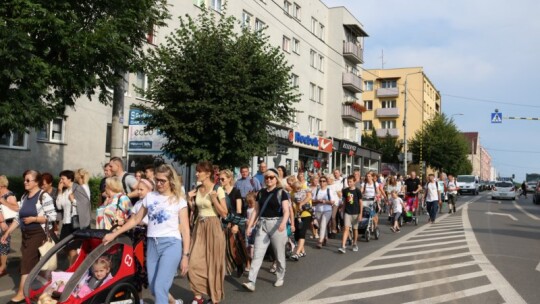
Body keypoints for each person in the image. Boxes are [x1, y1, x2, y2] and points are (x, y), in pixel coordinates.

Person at [104, 164, 190, 304]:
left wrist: (185, 255)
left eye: (163, 180)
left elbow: (186, 229)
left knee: (160, 287)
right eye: (157, 180)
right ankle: (174, 302)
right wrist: (114, 234)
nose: (159, 183)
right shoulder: (150, 196)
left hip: (171, 244)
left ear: (171, 181)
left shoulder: (179, 200)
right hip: (152, 245)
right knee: (153, 287)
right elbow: (136, 219)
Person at [1, 170, 57, 304]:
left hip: (39, 234)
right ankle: (45, 290)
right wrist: (8, 232)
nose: (24, 182)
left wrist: (35, 219)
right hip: (26, 235)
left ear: (36, 182)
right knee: (37, 264)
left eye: (28, 180)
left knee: (26, 263)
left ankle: (21, 293)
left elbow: (52, 217)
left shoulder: (44, 196)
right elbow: (18, 217)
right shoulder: (25, 196)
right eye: (24, 180)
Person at [243, 168, 289, 292]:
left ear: (276, 179)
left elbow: (286, 210)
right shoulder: (261, 193)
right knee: (257, 253)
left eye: (271, 177)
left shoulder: (281, 192)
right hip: (262, 224)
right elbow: (256, 210)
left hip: (277, 224)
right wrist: (250, 226)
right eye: (266, 177)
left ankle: (280, 276)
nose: (268, 179)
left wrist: (283, 223)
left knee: (279, 253)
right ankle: (251, 281)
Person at [187, 161, 228, 304]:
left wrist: (214, 199)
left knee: (213, 263)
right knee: (193, 263)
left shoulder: (218, 189)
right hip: (199, 226)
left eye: (199, 171)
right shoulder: (197, 188)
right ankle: (198, 295)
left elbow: (224, 213)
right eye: (197, 171)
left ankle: (213, 297)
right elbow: (195, 210)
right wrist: (189, 200)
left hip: (213, 227)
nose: (197, 173)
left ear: (208, 174)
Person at [56, 170, 92, 265]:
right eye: (60, 179)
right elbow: (59, 206)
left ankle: (73, 272)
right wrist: (59, 191)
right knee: (66, 248)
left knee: (72, 249)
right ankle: (73, 267)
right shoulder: (65, 191)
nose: (61, 181)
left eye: (63, 179)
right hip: (66, 223)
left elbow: (85, 204)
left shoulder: (78, 189)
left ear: (69, 179)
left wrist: (73, 201)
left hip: (76, 223)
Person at [220, 169, 248, 277]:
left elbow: (239, 210)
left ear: (229, 179)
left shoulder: (236, 191)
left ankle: (240, 263)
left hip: (235, 221)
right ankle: (225, 267)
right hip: (223, 222)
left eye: (223, 179)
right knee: (223, 246)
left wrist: (235, 224)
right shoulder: (220, 191)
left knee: (235, 246)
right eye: (220, 179)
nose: (221, 181)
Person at [338, 175, 362, 253]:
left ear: (354, 182)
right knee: (346, 228)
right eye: (348, 181)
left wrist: (360, 213)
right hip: (347, 212)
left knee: (355, 229)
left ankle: (354, 243)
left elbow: (360, 203)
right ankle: (343, 246)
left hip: (356, 212)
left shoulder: (357, 191)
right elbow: (345, 202)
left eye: (350, 181)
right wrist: (342, 210)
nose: (349, 183)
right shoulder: (345, 191)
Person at [312, 176, 338, 249]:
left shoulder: (329, 191)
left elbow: (333, 202)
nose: (322, 183)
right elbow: (312, 201)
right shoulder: (316, 190)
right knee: (321, 226)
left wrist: (325, 201)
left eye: (324, 181)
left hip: (327, 210)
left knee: (323, 224)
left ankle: (320, 241)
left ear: (326, 182)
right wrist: (318, 201)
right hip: (318, 210)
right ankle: (325, 237)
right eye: (320, 181)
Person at [0, 175, 18, 277]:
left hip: (5, 224)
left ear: (1, 185)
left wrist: (4, 202)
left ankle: (3, 268)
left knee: (3, 245)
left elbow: (16, 209)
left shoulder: (9, 195)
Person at [290, 180, 312, 261]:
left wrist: (302, 203)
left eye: (299, 188)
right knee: (297, 235)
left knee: (302, 233)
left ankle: (297, 253)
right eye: (296, 188)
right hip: (297, 215)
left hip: (306, 213)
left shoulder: (304, 188)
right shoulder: (291, 193)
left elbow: (309, 196)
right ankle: (303, 251)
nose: (297, 189)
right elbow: (291, 205)